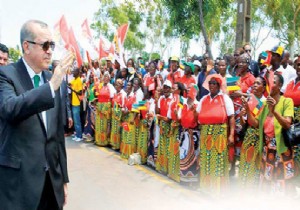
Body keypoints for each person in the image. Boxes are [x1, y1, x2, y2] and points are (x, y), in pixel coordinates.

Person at [0, 20, 73, 210]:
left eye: (52, 46)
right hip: (20, 185)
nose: (50, 51)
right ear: (27, 46)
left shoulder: (53, 80)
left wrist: (63, 179)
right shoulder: (6, 75)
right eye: (45, 45)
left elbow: (57, 137)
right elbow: (10, 108)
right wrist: (50, 87)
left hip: (51, 184)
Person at [243, 73, 295, 194]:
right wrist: (247, 110)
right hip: (267, 148)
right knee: (267, 178)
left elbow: (287, 124)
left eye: (274, 83)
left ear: (280, 86)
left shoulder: (287, 101)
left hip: (281, 148)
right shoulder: (265, 104)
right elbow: (256, 123)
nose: (271, 85)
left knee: (281, 178)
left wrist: (274, 111)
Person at [196, 75, 235, 194]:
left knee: (218, 161)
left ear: (219, 86)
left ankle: (218, 189)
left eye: (214, 83)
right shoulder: (204, 99)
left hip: (219, 134)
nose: (212, 85)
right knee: (206, 160)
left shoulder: (225, 99)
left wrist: (231, 135)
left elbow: (231, 117)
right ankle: (206, 187)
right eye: (210, 83)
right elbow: (196, 113)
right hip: (205, 134)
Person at [238, 77, 266, 189]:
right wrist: (241, 115)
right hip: (248, 135)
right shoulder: (250, 100)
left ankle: (252, 189)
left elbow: (256, 124)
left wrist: (248, 110)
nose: (254, 85)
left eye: (258, 83)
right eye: (254, 83)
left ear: (263, 88)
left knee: (255, 163)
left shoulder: (264, 103)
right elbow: (244, 123)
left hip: (258, 136)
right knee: (245, 162)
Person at [94, 71, 115, 146]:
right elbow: (96, 95)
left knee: (105, 125)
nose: (106, 78)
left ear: (109, 78)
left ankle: (105, 141)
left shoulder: (111, 87)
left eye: (107, 77)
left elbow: (112, 98)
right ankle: (99, 140)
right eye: (104, 76)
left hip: (106, 109)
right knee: (99, 125)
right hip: (99, 108)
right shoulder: (100, 85)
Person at [69, 67, 83, 141]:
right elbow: (69, 83)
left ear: (78, 72)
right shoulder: (74, 80)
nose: (73, 73)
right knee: (75, 119)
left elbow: (80, 92)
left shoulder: (79, 81)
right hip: (73, 102)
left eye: (74, 71)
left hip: (77, 103)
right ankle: (77, 134)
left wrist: (72, 89)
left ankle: (79, 136)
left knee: (77, 120)